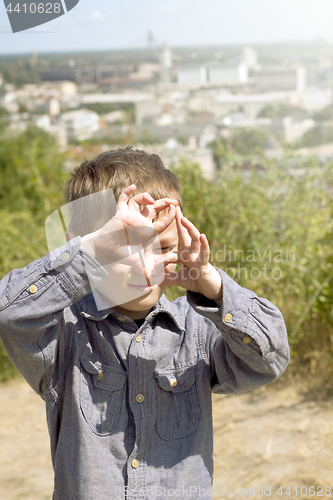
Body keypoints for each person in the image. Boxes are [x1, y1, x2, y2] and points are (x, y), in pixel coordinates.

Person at [0, 147, 289, 500]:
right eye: (124, 249)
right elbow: (10, 313)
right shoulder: (65, 333)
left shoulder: (195, 329)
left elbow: (270, 359)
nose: (145, 267)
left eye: (163, 248)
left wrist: (213, 286)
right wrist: (90, 252)